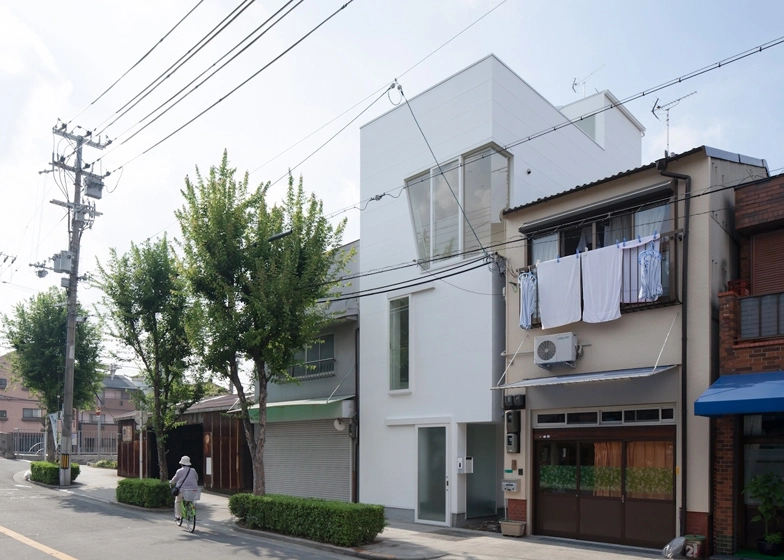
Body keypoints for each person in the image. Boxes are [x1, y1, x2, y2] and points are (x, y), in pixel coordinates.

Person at [170, 455, 199, 521]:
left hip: (182, 491)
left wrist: (171, 483)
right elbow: (196, 478)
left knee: (178, 501)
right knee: (191, 500)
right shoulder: (193, 470)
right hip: (193, 491)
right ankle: (192, 511)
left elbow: (174, 479)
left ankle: (178, 516)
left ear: (181, 463)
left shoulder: (179, 471)